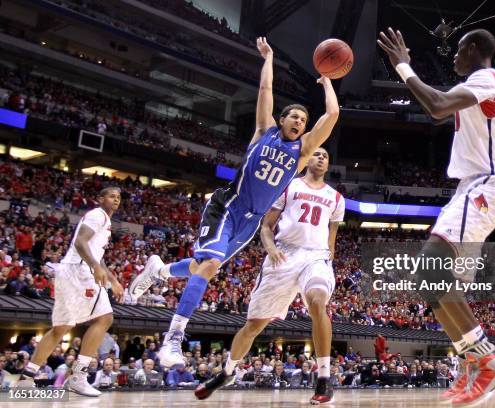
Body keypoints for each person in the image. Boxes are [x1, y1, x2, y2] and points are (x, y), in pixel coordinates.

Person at [128, 36, 339, 372]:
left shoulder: (302, 154)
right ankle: (173, 338)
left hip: (250, 222)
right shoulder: (263, 131)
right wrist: (268, 58)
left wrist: (328, 82)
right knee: (209, 267)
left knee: (201, 267)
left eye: (302, 119)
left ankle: (161, 271)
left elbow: (332, 114)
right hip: (228, 205)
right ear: (281, 121)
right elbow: (266, 90)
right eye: (293, 117)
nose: (298, 122)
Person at [378, 28, 495, 406]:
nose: (452, 57)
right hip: (471, 188)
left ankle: (490, 361)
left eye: (457, 50)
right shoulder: (475, 84)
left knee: (428, 269)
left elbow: (437, 106)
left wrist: (404, 67)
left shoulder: (488, 78)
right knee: (431, 285)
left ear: (473, 49)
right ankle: (471, 361)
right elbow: (439, 109)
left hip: (486, 186)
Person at [195, 148, 344, 403]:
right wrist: (271, 248)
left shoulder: (336, 198)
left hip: (315, 257)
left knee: (318, 302)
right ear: (307, 159)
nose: (320, 158)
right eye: (317, 153)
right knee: (253, 326)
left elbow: (331, 237)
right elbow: (266, 227)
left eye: (326, 156)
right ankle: (228, 372)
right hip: (283, 255)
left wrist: (328, 257)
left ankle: (323, 378)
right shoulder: (288, 186)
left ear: (328, 165)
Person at [17, 187, 123, 397]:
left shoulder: (103, 221)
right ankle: (79, 376)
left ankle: (26, 378)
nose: (116, 200)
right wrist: (94, 266)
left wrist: (114, 280)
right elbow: (80, 242)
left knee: (60, 328)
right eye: (112, 196)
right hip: (79, 270)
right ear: (100, 198)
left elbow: (96, 253)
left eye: (119, 197)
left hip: (71, 270)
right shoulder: (97, 215)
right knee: (105, 318)